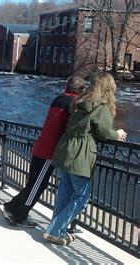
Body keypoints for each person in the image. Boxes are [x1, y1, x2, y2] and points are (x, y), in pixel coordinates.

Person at [43, 72, 127, 245]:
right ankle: (55, 230)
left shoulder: (79, 101)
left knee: (64, 192)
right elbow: (103, 133)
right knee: (82, 197)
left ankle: (56, 229)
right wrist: (116, 133)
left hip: (65, 149)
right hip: (81, 154)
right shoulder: (101, 107)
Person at [0, 76, 87, 228]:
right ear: (80, 91)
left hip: (42, 146)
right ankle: (18, 215)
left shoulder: (59, 99)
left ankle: (11, 206)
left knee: (34, 183)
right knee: (37, 186)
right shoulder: (71, 104)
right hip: (49, 151)